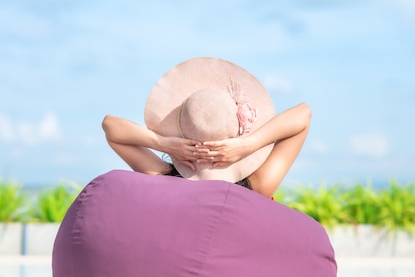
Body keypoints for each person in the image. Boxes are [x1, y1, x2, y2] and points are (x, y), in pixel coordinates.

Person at [102, 57, 311, 199]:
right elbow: (303, 114)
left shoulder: (166, 179)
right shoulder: (256, 187)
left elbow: (111, 127)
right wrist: (246, 145)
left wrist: (164, 144)